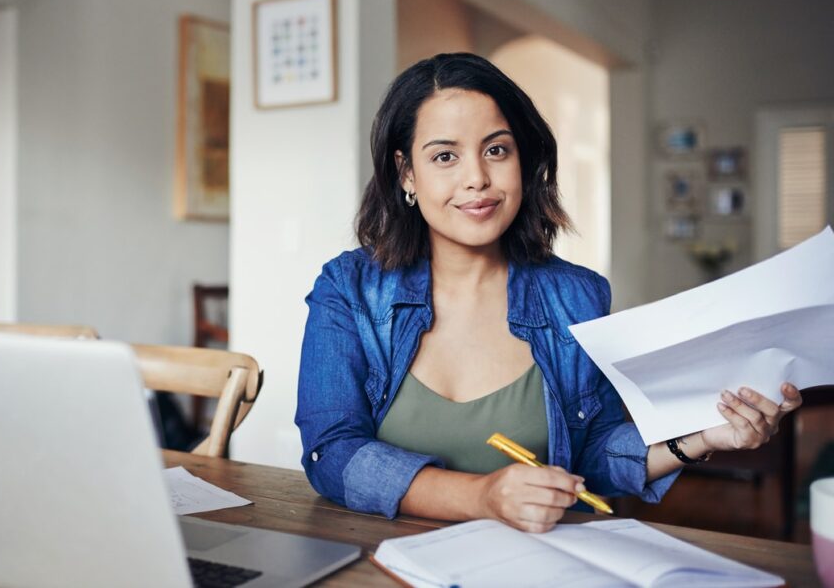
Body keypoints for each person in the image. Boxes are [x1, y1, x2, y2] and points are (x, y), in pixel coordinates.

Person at [295, 52, 802, 533]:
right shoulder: (349, 289)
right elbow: (331, 452)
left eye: (496, 150)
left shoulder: (577, 297)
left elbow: (595, 457)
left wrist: (703, 437)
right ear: (407, 173)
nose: (477, 178)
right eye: (445, 156)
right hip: (377, 563)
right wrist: (482, 497)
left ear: (524, 161)